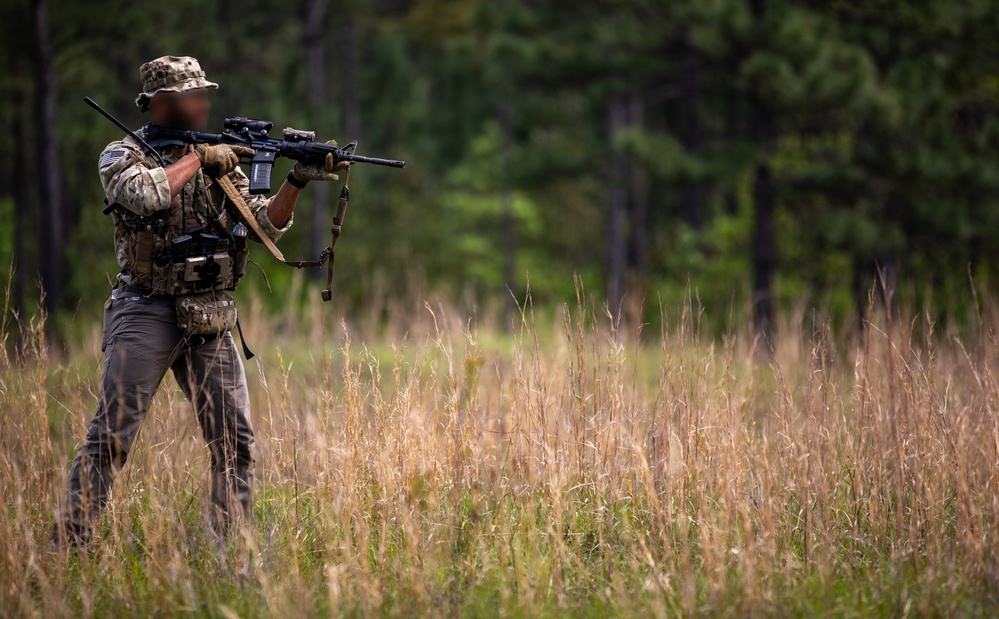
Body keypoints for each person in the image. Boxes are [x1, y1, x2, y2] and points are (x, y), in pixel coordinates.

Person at [51, 55, 344, 547]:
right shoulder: (123, 155)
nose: (204, 103)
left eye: (205, 93)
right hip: (145, 309)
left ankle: (229, 551)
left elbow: (264, 222)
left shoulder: (220, 157)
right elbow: (146, 195)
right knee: (111, 438)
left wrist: (296, 181)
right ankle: (68, 545)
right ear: (161, 103)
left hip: (208, 311)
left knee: (236, 443)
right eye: (194, 95)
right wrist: (198, 160)